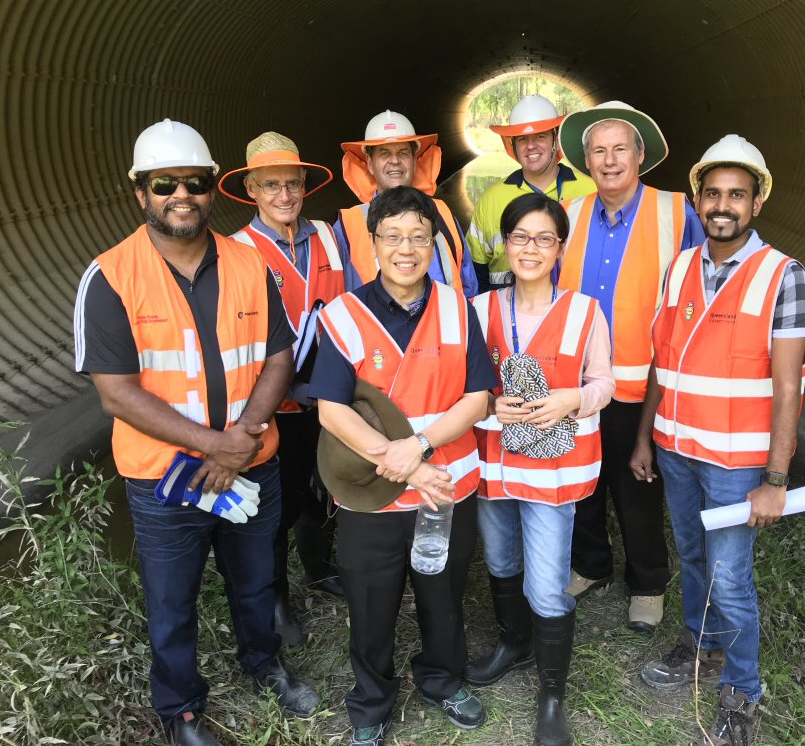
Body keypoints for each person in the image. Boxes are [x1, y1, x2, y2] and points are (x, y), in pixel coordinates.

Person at [73, 119, 319, 746]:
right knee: (172, 601)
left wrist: (244, 436)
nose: (181, 194)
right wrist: (217, 446)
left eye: (195, 181)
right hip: (166, 480)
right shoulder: (109, 277)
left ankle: (265, 667)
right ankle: (181, 709)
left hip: (249, 461)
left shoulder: (248, 262)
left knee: (257, 579)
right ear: (140, 193)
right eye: (164, 183)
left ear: (213, 189)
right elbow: (115, 391)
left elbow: (279, 357)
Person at [631, 135, 805, 745]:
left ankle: (741, 688)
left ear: (757, 202)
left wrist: (776, 480)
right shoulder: (680, 267)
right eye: (713, 193)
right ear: (697, 200)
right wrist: (644, 439)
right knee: (692, 554)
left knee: (731, 577)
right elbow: (663, 362)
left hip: (737, 463)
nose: (723, 205)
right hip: (678, 449)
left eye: (737, 194)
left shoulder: (783, 276)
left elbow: (788, 389)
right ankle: (701, 644)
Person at [309, 186, 497, 746]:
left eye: (419, 236)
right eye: (393, 236)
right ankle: (371, 703)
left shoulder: (458, 309)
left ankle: (443, 678)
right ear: (374, 244)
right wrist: (405, 464)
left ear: (434, 242)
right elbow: (331, 409)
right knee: (371, 603)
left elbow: (477, 398)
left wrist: (419, 447)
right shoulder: (344, 314)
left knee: (443, 595)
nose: (406, 248)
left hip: (445, 486)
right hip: (372, 493)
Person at [466, 194, 614, 746]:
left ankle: (552, 696)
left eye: (544, 238)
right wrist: (487, 404)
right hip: (497, 458)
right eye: (520, 237)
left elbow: (607, 383)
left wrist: (572, 399)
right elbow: (467, 388)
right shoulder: (480, 310)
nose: (531, 248)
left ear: (560, 248)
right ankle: (513, 644)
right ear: (505, 244)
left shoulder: (584, 311)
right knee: (501, 559)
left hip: (556, 466)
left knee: (548, 583)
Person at [555, 101, 705, 632]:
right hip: (575, 379)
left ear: (640, 155)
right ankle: (590, 564)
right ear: (586, 161)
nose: (609, 160)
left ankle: (647, 581)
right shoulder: (568, 214)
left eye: (621, 148)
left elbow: (699, 293)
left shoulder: (675, 211)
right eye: (599, 150)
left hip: (643, 383)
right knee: (582, 479)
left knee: (637, 484)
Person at [218, 131, 347, 647]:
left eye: (292, 184)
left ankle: (318, 564)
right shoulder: (237, 252)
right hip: (274, 403)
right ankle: (275, 599)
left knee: (325, 486)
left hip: (330, 394)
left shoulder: (329, 236)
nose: (284, 195)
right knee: (275, 502)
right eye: (271, 185)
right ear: (251, 189)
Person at [333, 110, 478, 297]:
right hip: (375, 325)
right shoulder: (346, 225)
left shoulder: (442, 213)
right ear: (369, 162)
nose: (395, 161)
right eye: (384, 153)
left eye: (403, 153)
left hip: (445, 323)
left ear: (414, 160)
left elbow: (469, 285)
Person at [466, 95, 596, 292]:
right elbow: (476, 274)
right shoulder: (491, 199)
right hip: (504, 312)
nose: (531, 145)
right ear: (513, 146)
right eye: (522, 139)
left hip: (574, 312)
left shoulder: (591, 190)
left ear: (556, 139)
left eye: (541, 136)